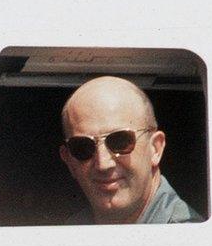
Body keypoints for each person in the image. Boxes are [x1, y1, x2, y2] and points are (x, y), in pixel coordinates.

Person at [59, 76, 202, 224]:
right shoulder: (66, 234)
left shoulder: (190, 239)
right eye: (83, 147)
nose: (103, 164)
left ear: (155, 149)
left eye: (120, 141)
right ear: (69, 160)